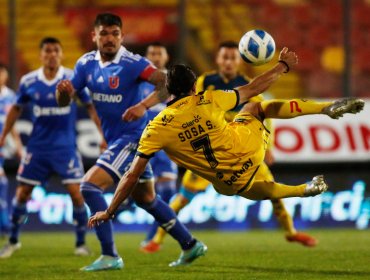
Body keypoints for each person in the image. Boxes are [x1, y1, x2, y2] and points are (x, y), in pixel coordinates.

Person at [87, 50, 365, 248]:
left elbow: (132, 175)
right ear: (194, 85)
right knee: (256, 105)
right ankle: (323, 108)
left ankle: (301, 190)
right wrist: (282, 66)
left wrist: (109, 211)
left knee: (243, 187)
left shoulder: (155, 129)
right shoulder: (209, 99)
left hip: (228, 181)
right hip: (248, 148)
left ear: (166, 91)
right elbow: (256, 86)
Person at [56, 13, 206, 271]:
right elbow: (66, 100)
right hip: (118, 138)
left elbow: (165, 84)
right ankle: (190, 244)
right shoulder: (84, 65)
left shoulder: (133, 64)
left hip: (134, 138)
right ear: (94, 36)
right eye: (104, 33)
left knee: (90, 186)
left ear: (122, 36)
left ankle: (110, 255)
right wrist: (63, 94)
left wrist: (142, 105)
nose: (110, 38)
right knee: (147, 199)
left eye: (115, 33)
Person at [141, 41, 317, 253]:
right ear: (218, 59)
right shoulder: (205, 81)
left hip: (241, 147)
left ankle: (291, 232)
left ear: (239, 59)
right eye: (224, 57)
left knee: (272, 190)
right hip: (208, 151)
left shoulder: (248, 83)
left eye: (232, 58)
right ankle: (157, 240)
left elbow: (263, 111)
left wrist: (267, 146)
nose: (228, 62)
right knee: (183, 198)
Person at [0, 37, 105, 258]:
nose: (51, 55)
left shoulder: (72, 79)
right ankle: (13, 240)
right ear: (41, 55)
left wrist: (102, 135)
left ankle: (80, 244)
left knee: (77, 195)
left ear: (61, 54)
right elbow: (15, 109)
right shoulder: (28, 81)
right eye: (47, 51)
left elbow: (90, 106)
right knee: (22, 194)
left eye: (56, 50)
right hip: (37, 148)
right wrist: (3, 136)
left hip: (65, 148)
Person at [138, 42, 178, 248]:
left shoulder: (175, 82)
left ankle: (152, 237)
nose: (155, 56)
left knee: (168, 191)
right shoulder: (138, 80)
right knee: (136, 188)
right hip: (142, 140)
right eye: (151, 52)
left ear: (166, 56)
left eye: (158, 52)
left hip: (167, 142)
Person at [0, 64, 22, 238]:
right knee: (2, 182)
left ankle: (5, 224)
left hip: (4, 145)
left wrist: (18, 146)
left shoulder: (10, 96)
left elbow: (12, 124)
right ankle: (5, 224)